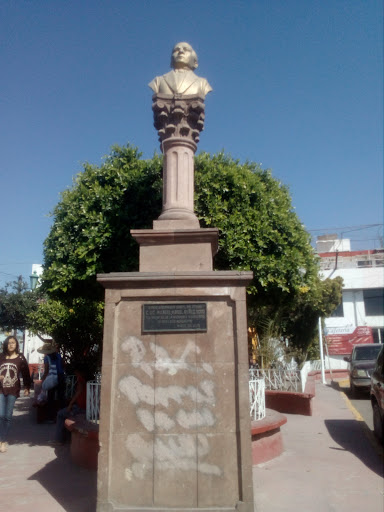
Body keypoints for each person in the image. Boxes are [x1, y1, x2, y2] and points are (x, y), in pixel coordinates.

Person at [0, 335, 31, 453]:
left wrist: (27, 387)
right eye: (9, 343)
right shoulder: (1, 357)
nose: (11, 345)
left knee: (7, 416)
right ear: (5, 345)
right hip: (1, 389)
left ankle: (3, 441)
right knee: (1, 415)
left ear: (16, 344)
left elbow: (26, 373)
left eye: (13, 342)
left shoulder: (21, 358)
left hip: (13, 390)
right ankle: (1, 439)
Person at [49, 363, 88, 446]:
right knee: (64, 414)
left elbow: (78, 392)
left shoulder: (80, 380)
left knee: (60, 414)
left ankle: (59, 439)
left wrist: (70, 403)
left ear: (78, 372)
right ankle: (64, 438)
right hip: (82, 407)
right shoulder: (85, 379)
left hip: (80, 408)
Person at [37, 341, 65, 417]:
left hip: (52, 378)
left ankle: (51, 416)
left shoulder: (47, 357)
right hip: (61, 376)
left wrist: (42, 380)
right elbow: (63, 365)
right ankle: (62, 415)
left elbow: (46, 371)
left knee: (51, 397)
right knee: (61, 396)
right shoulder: (58, 355)